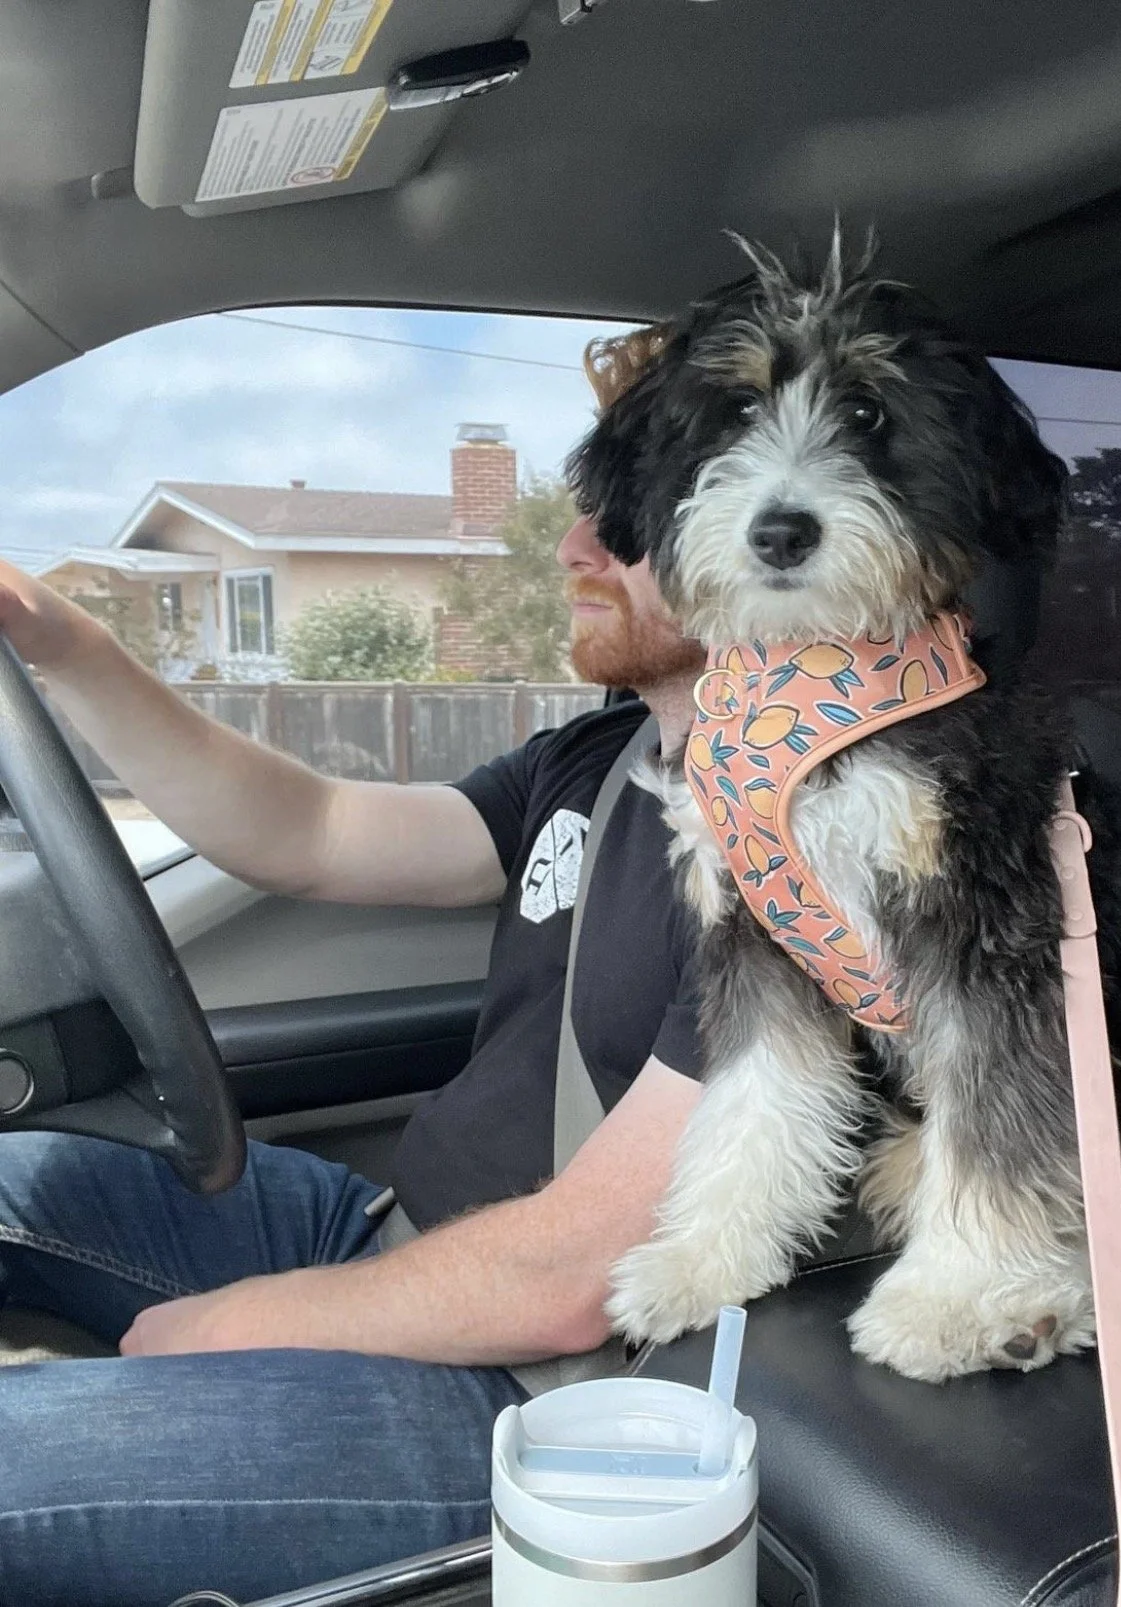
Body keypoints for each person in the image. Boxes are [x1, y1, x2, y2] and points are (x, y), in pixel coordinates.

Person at [0, 326, 709, 1607]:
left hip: (537, 1390)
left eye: (629, 515)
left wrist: (234, 1321)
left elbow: (572, 1280)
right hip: (389, 1237)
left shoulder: (816, 852)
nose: (572, 543)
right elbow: (313, 831)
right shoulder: (595, 762)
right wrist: (59, 642)